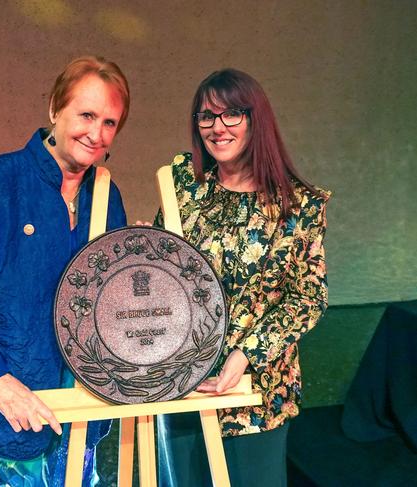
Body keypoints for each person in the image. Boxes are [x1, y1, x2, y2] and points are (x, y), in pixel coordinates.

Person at [0, 56, 130, 486]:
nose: (96, 133)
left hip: (77, 419)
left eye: (109, 123)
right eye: (86, 115)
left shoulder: (107, 198)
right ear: (55, 107)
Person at [155, 68, 330, 487]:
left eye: (231, 114)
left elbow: (309, 296)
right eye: (206, 116)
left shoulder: (298, 205)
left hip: (257, 391)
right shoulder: (185, 183)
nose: (218, 127)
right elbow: (167, 272)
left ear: (256, 119)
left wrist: (246, 354)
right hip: (182, 382)